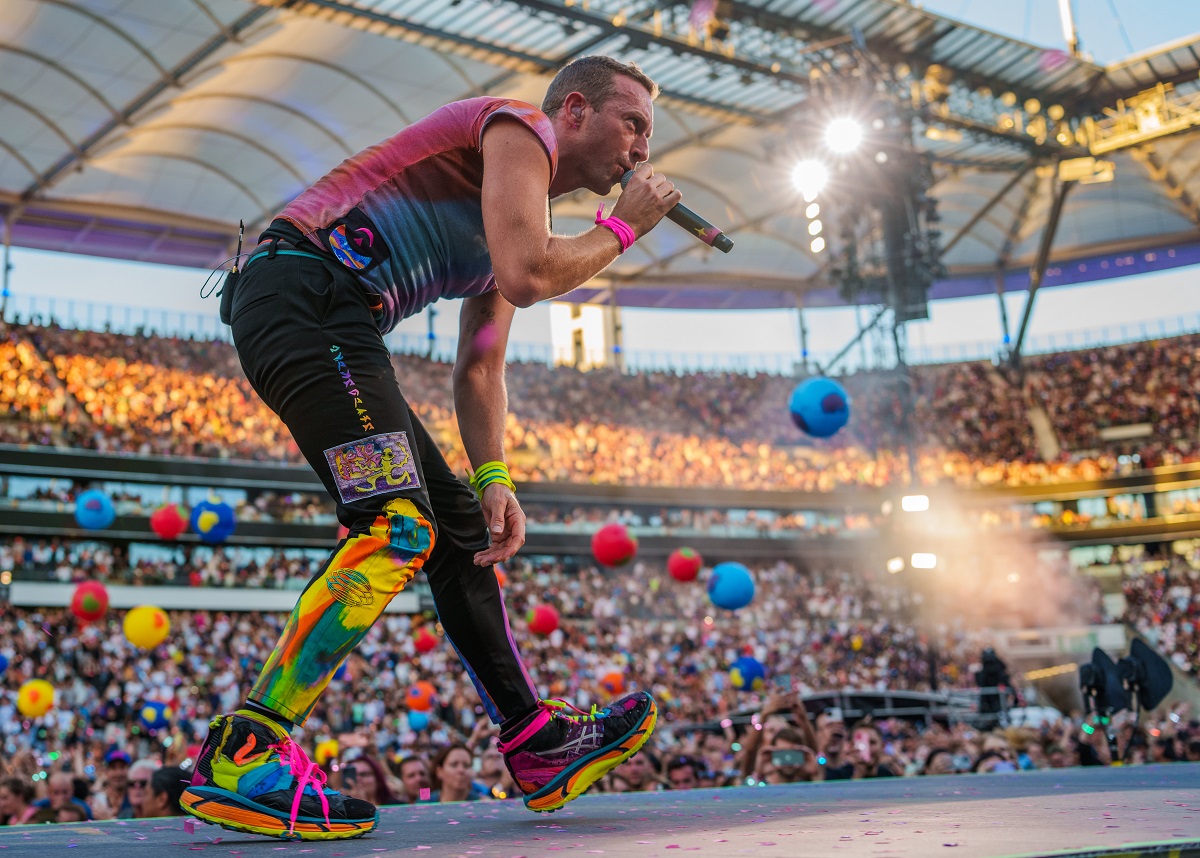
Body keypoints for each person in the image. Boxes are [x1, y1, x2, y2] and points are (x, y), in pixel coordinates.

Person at [181, 54, 679, 842]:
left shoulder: (512, 211)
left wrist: (492, 475)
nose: (642, 151)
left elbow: (479, 365)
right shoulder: (521, 128)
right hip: (307, 293)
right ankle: (247, 750)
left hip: (331, 315)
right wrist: (625, 226)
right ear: (576, 110)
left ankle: (536, 742)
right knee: (396, 526)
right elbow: (526, 276)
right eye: (635, 125)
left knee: (457, 536)